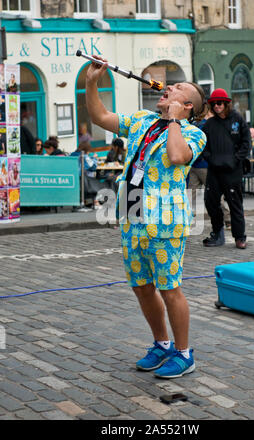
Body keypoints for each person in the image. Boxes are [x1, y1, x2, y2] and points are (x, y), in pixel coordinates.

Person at [85, 54, 206, 379]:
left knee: (169, 288)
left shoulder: (193, 132)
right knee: (141, 286)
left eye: (177, 87)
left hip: (165, 219)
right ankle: (161, 344)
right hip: (133, 212)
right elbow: (100, 116)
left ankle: (183, 353)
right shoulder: (141, 120)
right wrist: (92, 82)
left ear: (188, 106)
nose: (168, 87)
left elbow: (178, 156)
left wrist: (175, 121)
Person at [202, 88, 251, 250]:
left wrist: (235, 159)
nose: (217, 106)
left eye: (220, 103)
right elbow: (203, 146)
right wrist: (210, 158)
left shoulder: (237, 119)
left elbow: (246, 143)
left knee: (235, 203)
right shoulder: (209, 124)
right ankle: (217, 233)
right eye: (214, 103)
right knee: (210, 202)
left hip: (233, 170)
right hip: (214, 170)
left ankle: (240, 237)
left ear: (226, 103)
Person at [188, 108, 212, 215]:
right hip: (204, 165)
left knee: (190, 195)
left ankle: (187, 218)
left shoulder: (192, 124)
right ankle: (227, 219)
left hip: (193, 163)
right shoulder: (207, 125)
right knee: (214, 194)